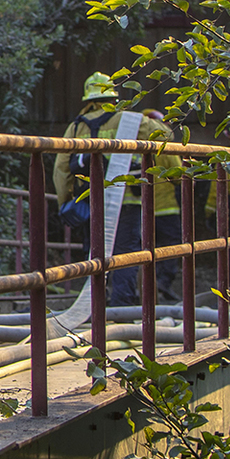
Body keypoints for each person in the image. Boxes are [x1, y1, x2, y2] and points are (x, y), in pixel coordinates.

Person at [51, 74, 181, 306]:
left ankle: (95, 306)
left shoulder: (76, 126)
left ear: (88, 97)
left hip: (90, 202)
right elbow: (167, 136)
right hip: (126, 200)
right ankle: (122, 308)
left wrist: (66, 201)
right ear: (113, 95)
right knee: (126, 254)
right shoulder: (131, 120)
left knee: (95, 253)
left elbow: (61, 168)